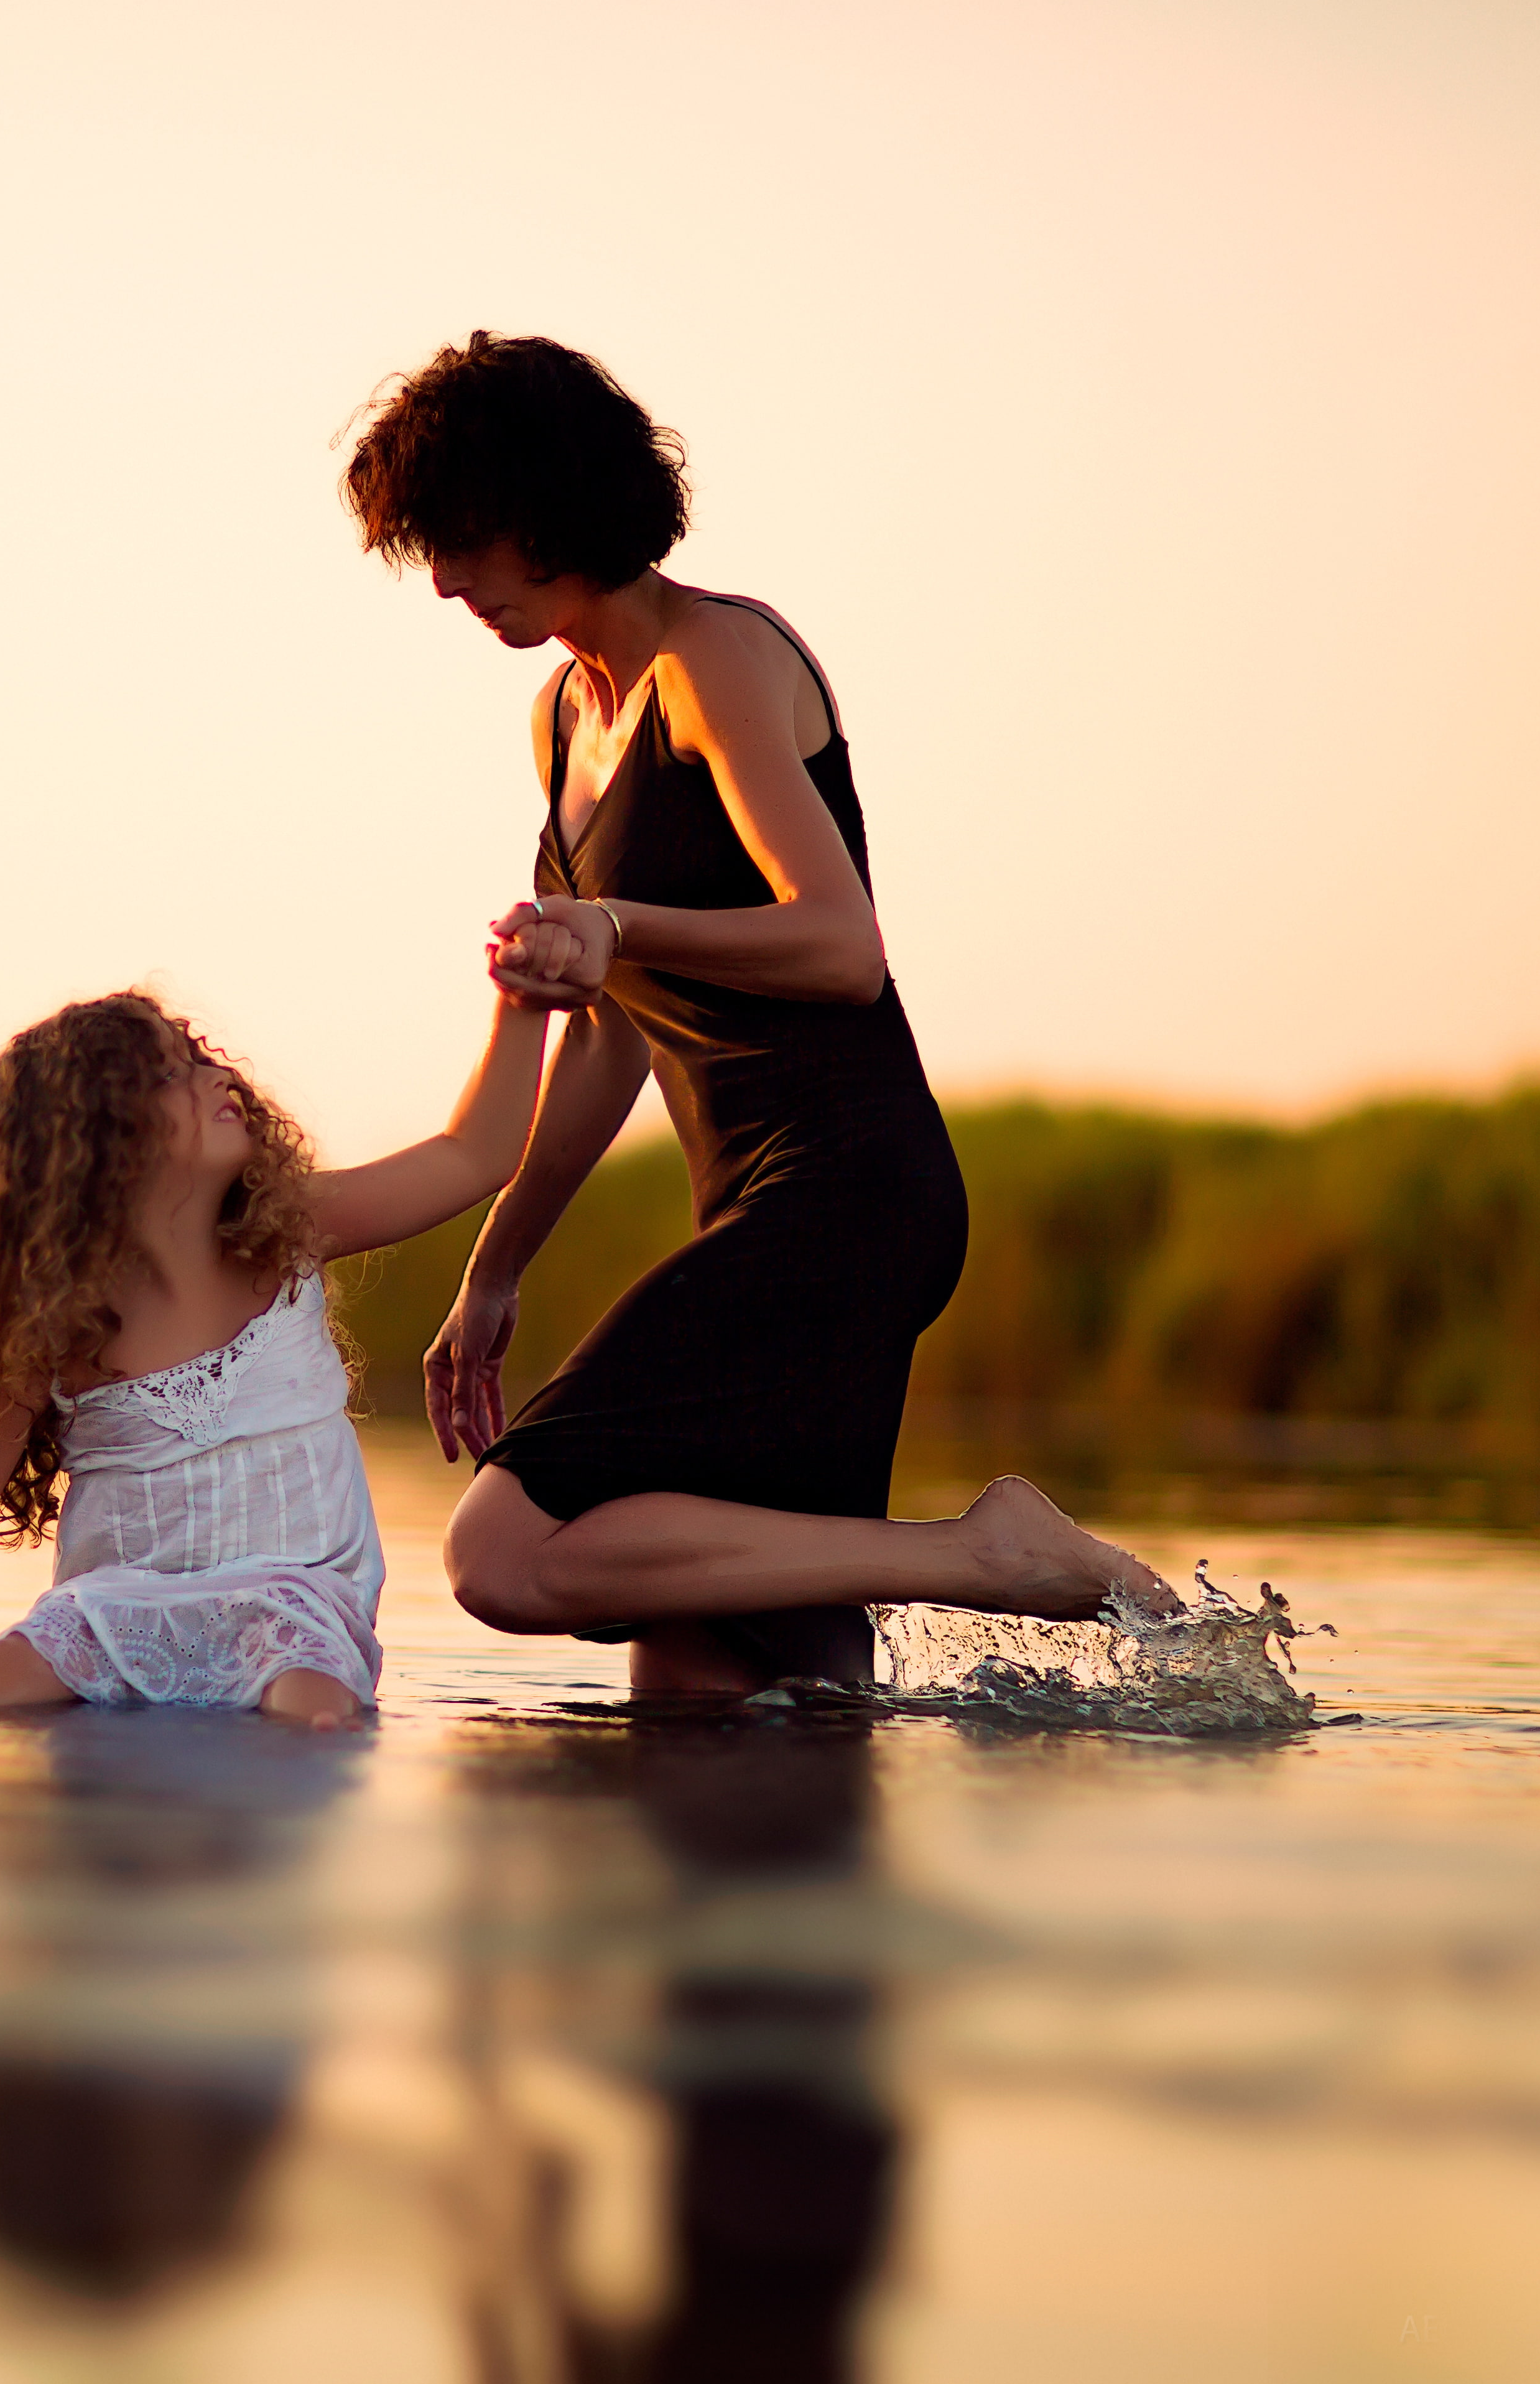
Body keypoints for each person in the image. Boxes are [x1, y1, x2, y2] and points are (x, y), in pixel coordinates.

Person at [343, 332, 1171, 1695]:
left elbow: (842, 947)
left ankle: (982, 1555)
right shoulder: (563, 716)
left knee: (505, 1553)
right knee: (722, 1691)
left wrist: (614, 927)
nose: (443, 580)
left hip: (849, 1197)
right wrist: (498, 1268)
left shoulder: (714, 659)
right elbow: (615, 1036)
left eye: (463, 538)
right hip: (761, 1209)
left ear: (547, 502)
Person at [0, 988, 550, 1724]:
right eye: (174, 1073)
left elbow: (475, 1155)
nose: (219, 1077)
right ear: (97, 1136)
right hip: (111, 1613)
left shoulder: (289, 1234)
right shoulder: (62, 1321)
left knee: (320, 1711)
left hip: (291, 1606)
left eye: (205, 1061)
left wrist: (521, 1006)